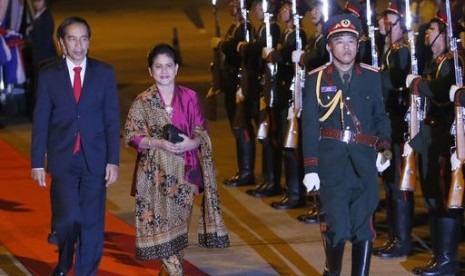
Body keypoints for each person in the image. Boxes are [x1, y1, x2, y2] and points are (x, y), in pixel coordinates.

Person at [124, 43, 230, 276]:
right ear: (150, 71)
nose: (164, 71)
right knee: (168, 247)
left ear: (177, 68)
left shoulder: (190, 97)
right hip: (153, 178)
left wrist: (191, 143)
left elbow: (202, 132)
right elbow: (132, 136)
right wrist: (158, 142)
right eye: (158, 66)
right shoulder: (142, 101)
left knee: (178, 236)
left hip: (186, 174)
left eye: (168, 66)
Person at [301, 13, 392, 275]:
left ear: (358, 44)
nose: (347, 47)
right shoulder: (316, 79)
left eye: (351, 41)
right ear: (329, 46)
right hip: (332, 165)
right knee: (338, 227)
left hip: (364, 163)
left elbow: (381, 117)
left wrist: (384, 148)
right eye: (339, 41)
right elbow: (309, 125)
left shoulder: (372, 76)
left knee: (365, 228)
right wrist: (311, 168)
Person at [30, 16, 120, 275]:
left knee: (92, 222)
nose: (78, 45)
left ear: (89, 42)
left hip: (95, 159)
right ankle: (65, 258)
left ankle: (86, 271)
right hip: (63, 158)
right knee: (68, 218)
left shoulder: (104, 73)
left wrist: (113, 160)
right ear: (61, 43)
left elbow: (112, 119)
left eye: (83, 38)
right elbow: (41, 119)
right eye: (72, 38)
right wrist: (37, 161)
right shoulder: (48, 75)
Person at [405, 5, 464, 275]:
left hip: (446, 138)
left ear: (446, 34)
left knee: (445, 196)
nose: (427, 33)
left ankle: (447, 260)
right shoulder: (437, 61)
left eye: (432, 29)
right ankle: (438, 255)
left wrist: (418, 85)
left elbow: (441, 93)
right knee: (432, 196)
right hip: (432, 136)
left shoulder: (454, 62)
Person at [373, 0, 414, 259]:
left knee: (398, 181)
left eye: (390, 19)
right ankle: (393, 237)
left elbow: (395, 79)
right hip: (387, 125)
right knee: (388, 180)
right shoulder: (388, 50)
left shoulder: (401, 51)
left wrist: (376, 75)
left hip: (398, 125)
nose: (384, 23)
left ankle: (402, 240)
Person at [264, 0, 308, 210]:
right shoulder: (286, 34)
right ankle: (291, 190)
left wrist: (277, 55)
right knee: (285, 143)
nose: (280, 11)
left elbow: (291, 61)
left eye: (285, 7)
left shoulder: (298, 34)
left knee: (292, 147)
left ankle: (296, 193)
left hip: (293, 96)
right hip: (282, 94)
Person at [239, 0, 283, 198]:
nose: (254, 9)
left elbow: (259, 52)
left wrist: (246, 48)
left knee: (270, 136)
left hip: (269, 88)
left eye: (257, 5)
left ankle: (273, 180)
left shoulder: (271, 28)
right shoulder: (263, 28)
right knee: (264, 136)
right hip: (261, 87)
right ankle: (267, 178)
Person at [211, 0, 256, 187]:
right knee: (236, 127)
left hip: (239, 83)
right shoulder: (234, 26)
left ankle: (247, 171)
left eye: (235, 2)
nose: (231, 4)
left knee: (242, 126)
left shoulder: (245, 27)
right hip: (230, 82)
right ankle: (242, 169)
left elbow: (239, 51)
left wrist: (221, 44)